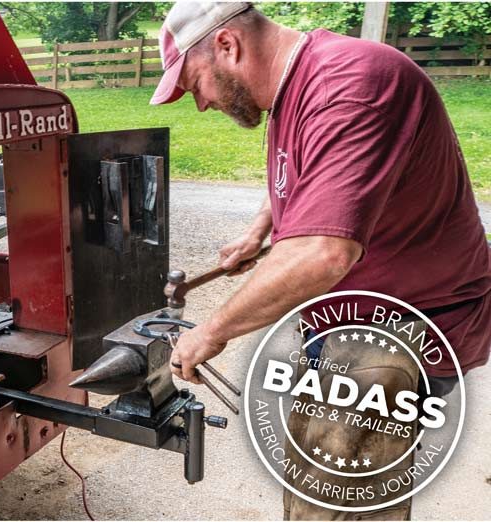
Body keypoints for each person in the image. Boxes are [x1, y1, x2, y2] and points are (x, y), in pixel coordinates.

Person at [150, 2, 491, 519]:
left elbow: (323, 254)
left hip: (401, 330)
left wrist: (212, 331)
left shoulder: (351, 86)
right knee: (311, 479)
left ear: (227, 45)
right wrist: (261, 229)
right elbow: (313, 173)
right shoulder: (294, 86)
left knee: (342, 503)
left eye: (195, 84)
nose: (200, 104)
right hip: (349, 321)